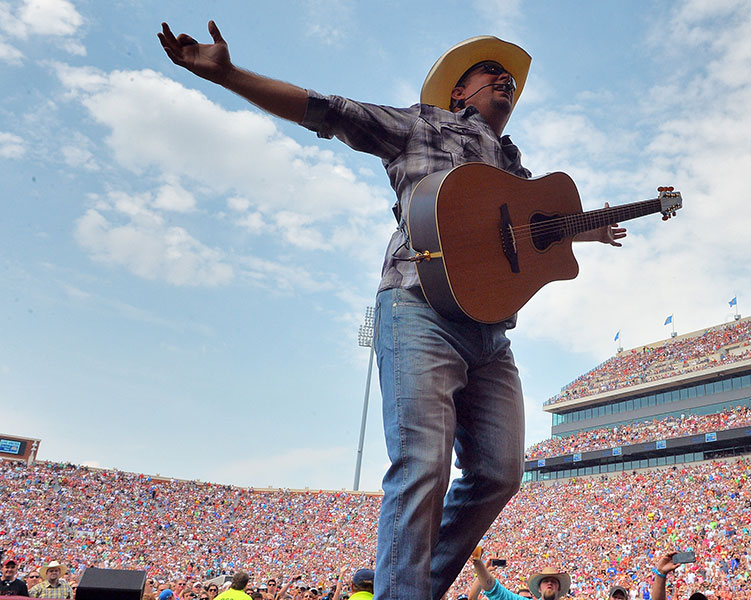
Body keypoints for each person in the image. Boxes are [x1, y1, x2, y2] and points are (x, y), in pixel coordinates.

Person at [157, 20, 625, 600]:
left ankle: (412, 590)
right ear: (459, 92)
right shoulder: (419, 125)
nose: (505, 80)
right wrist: (228, 75)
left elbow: (530, 237)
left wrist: (583, 230)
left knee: (500, 474)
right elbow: (327, 109)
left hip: (490, 331)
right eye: (491, 74)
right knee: (422, 464)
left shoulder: (513, 167)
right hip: (419, 307)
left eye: (511, 80)